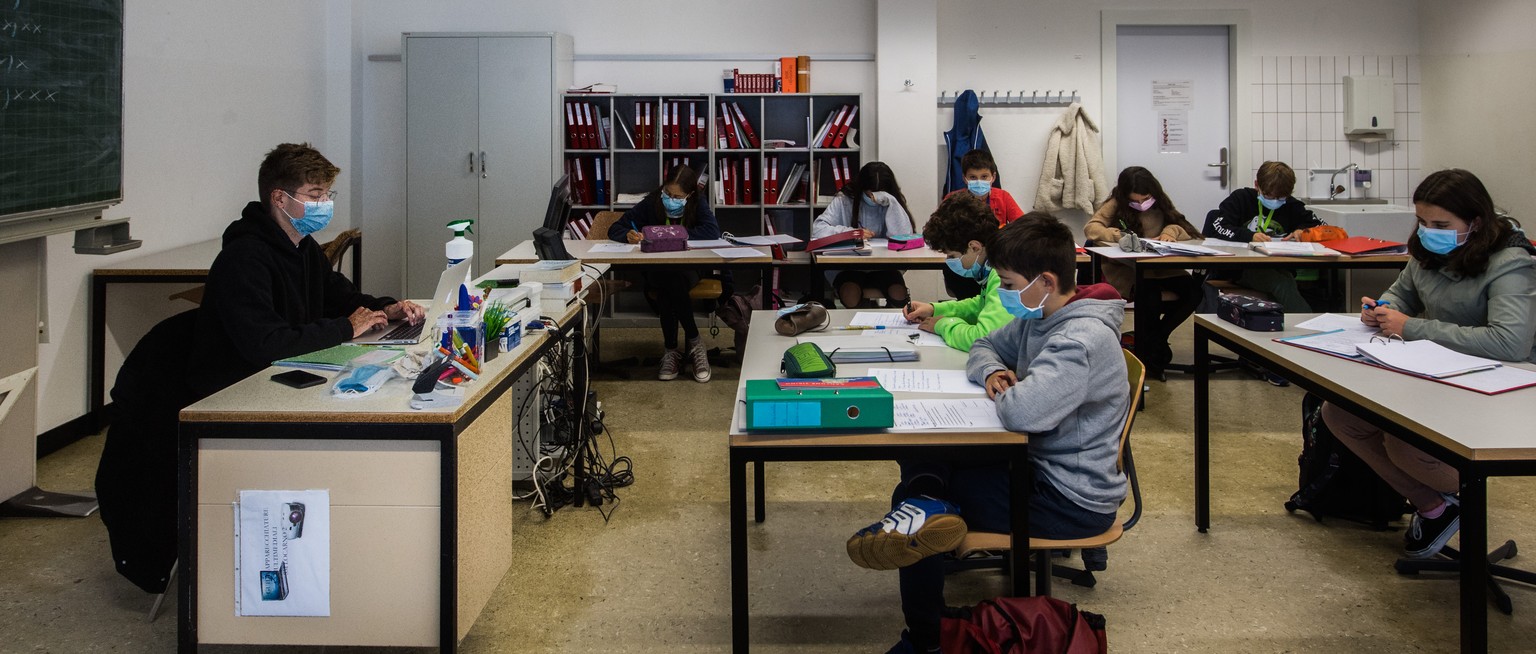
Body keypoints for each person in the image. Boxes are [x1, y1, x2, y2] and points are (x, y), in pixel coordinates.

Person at [848, 214, 1130, 654]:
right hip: (1037, 462)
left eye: (1008, 282)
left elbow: (1022, 412)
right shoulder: (1043, 317)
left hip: (1068, 497)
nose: (1001, 292)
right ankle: (927, 501)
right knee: (925, 447)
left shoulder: (1079, 339)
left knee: (909, 503)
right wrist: (996, 370)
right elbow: (985, 346)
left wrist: (1007, 391)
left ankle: (925, 642)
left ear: (1045, 281)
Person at [1322, 169, 1536, 560]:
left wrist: (1413, 328)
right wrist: (1381, 311)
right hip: (1436, 371)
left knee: (1405, 441)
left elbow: (1511, 343)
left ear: (1475, 222)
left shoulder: (1510, 261)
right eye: (1422, 222)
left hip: (1498, 385)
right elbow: (1399, 294)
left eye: (1440, 224)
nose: (1428, 231)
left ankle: (1454, 496)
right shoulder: (1428, 254)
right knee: (1340, 414)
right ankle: (1436, 508)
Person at [189, 143, 423, 399]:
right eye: (314, 195)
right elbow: (266, 343)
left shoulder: (303, 245)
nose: (324, 203)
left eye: (326, 195)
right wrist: (346, 328)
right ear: (279, 198)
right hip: (236, 390)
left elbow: (339, 297)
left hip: (280, 374)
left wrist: (386, 309)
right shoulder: (244, 258)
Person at [1085, 166, 1203, 380]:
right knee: (1149, 296)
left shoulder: (1161, 203)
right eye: (1135, 201)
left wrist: (1169, 233)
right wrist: (1117, 235)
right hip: (1131, 271)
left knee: (1194, 292)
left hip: (1163, 268)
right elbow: (1092, 229)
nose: (1141, 205)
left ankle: (1155, 338)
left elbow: (1183, 228)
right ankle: (1150, 356)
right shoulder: (1115, 203)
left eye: (1145, 199)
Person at [608, 164, 722, 383]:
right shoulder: (652, 202)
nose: (671, 199)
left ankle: (671, 350)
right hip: (657, 269)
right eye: (668, 193)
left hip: (689, 270)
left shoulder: (698, 204)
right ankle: (695, 342)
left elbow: (712, 231)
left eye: (677, 196)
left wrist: (674, 234)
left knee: (670, 285)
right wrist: (628, 235)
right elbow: (615, 228)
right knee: (668, 280)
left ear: (689, 195)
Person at [1205, 160, 1323, 312]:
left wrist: (1303, 231)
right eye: (1268, 196)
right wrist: (1249, 236)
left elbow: (1319, 225)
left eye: (1281, 198)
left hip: (1277, 265)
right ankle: (1307, 322)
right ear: (1257, 185)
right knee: (1282, 283)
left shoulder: (1292, 205)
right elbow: (1218, 226)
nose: (1274, 201)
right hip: (1240, 268)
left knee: (1286, 279)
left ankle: (1288, 322)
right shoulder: (1241, 198)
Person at [901, 194, 1014, 351]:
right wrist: (935, 310)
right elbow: (981, 305)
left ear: (974, 247)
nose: (949, 261)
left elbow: (984, 339)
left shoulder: (1003, 274)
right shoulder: (992, 266)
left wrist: (942, 325)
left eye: (952, 256)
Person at [811, 161, 916, 309]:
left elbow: (904, 237)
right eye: (870, 194)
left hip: (884, 267)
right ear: (861, 188)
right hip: (848, 267)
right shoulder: (844, 199)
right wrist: (850, 233)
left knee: (898, 294)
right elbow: (818, 230)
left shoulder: (892, 202)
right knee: (850, 295)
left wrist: (892, 203)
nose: (874, 199)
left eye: (880, 195)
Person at [941, 149, 1025, 299]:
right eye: (973, 177)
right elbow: (941, 231)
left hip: (993, 260)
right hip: (965, 259)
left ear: (993, 177)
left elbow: (1023, 226)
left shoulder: (1003, 197)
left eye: (984, 176)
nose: (979, 181)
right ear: (965, 179)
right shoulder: (953, 199)